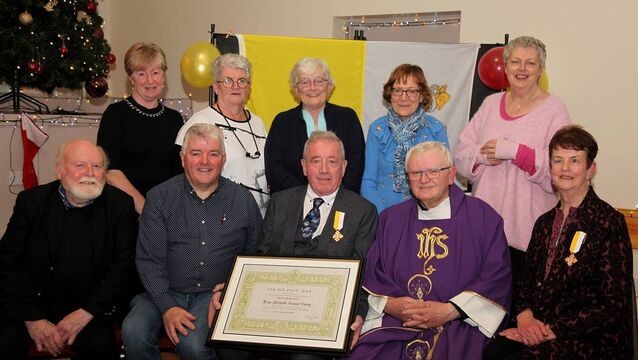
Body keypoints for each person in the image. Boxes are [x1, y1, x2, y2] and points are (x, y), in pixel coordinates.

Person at [212, 130, 378, 360]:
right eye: (315, 161)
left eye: (332, 161)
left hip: (322, 319)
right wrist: (233, 291)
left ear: (343, 166)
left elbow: (363, 274)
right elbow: (261, 260)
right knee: (229, 346)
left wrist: (357, 314)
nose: (323, 170)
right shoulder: (280, 202)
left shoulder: (363, 212)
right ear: (303, 166)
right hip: (274, 309)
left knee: (304, 357)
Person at [483, 125, 635, 359]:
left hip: (591, 340)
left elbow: (612, 305)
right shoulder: (544, 223)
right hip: (541, 329)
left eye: (574, 160)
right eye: (558, 160)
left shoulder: (607, 222)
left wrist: (549, 331)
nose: (565, 168)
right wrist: (524, 318)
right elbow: (524, 284)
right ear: (551, 167)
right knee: (491, 351)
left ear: (590, 169)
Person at [350, 141, 511, 360]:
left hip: (457, 324)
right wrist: (391, 304)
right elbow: (373, 273)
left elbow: (496, 277)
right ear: (408, 179)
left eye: (433, 171)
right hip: (397, 324)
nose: (424, 179)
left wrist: (450, 310)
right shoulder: (391, 219)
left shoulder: (483, 218)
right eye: (416, 173)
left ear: (451, 174)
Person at [121, 124, 262, 360]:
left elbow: (255, 253)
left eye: (213, 154)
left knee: (193, 345)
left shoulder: (243, 200)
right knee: (134, 331)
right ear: (183, 157)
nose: (204, 161)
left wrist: (232, 289)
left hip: (214, 295)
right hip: (164, 290)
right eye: (196, 153)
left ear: (223, 159)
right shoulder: (159, 198)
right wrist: (168, 306)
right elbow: (148, 260)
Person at [0, 140, 137, 359]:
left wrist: (86, 313)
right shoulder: (32, 202)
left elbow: (123, 268)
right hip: (33, 305)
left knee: (101, 347)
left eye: (97, 166)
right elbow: (8, 262)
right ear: (60, 171)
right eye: (80, 165)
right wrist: (32, 318)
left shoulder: (119, 206)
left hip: (90, 309)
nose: (89, 173)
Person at [454, 36, 571, 273]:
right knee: (485, 306)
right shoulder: (490, 104)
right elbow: (460, 154)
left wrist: (517, 152)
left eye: (530, 63)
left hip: (531, 235)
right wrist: (481, 156)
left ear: (541, 69)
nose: (522, 69)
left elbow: (562, 168)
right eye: (515, 62)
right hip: (484, 232)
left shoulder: (555, 110)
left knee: (524, 308)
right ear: (506, 67)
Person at [176, 53, 269, 215]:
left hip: (260, 219)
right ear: (216, 87)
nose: (236, 86)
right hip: (219, 221)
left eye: (242, 81)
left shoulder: (258, 123)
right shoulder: (199, 123)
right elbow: (183, 182)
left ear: (249, 87)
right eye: (228, 80)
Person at [97, 42, 183, 215]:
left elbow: (180, 172)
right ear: (131, 79)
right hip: (125, 213)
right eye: (141, 73)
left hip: (167, 212)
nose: (150, 80)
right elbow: (111, 172)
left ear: (164, 76)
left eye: (156, 72)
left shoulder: (175, 119)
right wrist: (147, 210)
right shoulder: (115, 115)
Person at [265, 57, 365, 194]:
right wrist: (306, 198)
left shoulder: (348, 118)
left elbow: (356, 165)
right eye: (305, 82)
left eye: (319, 81)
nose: (312, 88)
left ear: (329, 86)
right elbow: (274, 169)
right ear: (295, 89)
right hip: (294, 203)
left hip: (342, 202)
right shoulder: (282, 122)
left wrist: (336, 198)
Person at [361, 64, 449, 213]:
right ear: (390, 94)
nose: (403, 97)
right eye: (397, 91)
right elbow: (368, 183)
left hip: (426, 216)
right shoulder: (377, 130)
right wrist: (386, 218)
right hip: (384, 215)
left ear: (422, 96)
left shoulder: (436, 130)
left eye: (411, 91)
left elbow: (443, 181)